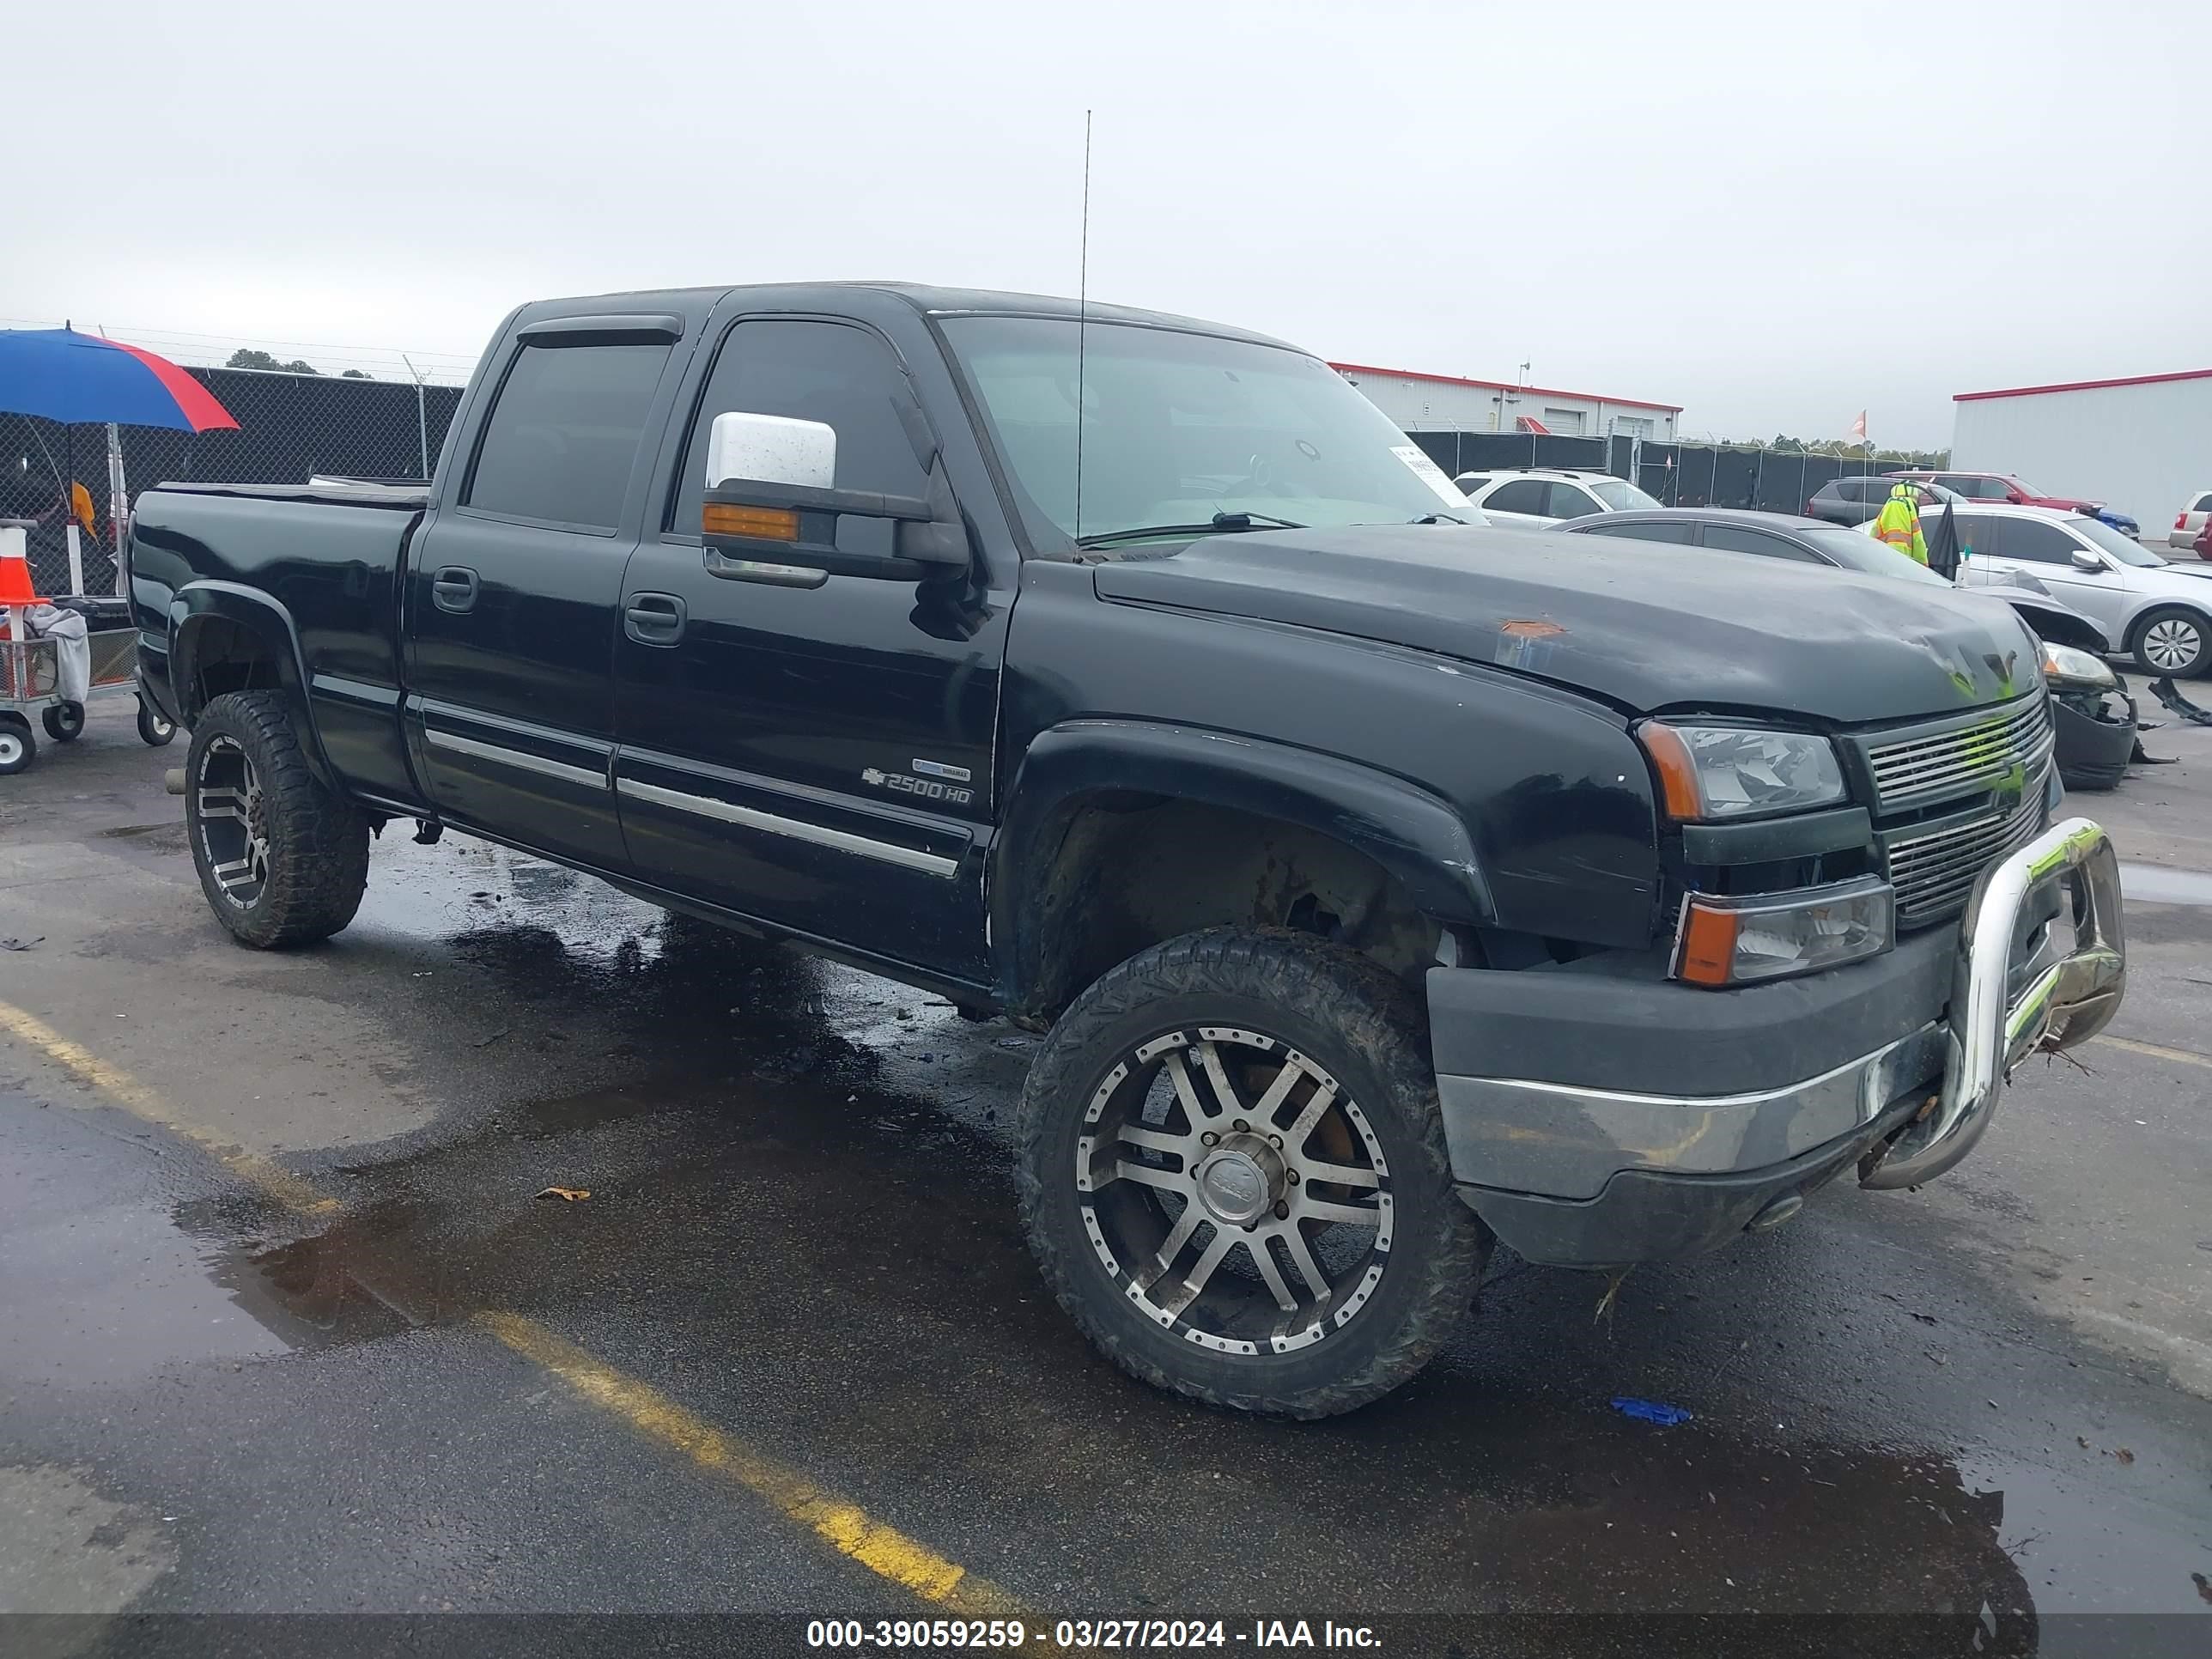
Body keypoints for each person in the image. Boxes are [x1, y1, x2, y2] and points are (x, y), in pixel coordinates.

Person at [1868, 481, 1929, 565]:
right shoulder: (1908, 506)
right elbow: (1918, 541)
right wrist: (1923, 566)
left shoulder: (1889, 505)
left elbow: (1874, 532)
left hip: (1883, 561)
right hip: (1902, 563)